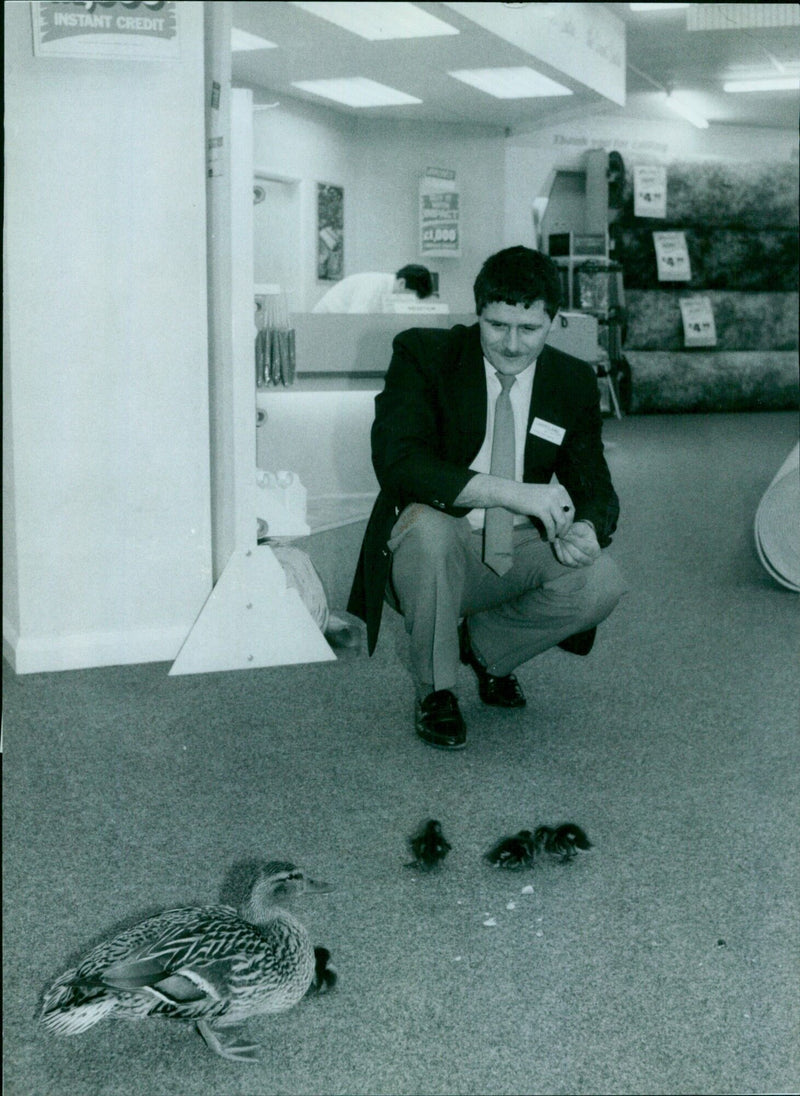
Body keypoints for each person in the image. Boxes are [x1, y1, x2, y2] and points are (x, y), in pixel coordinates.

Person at [347, 245, 626, 750]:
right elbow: (398, 460)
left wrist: (587, 527)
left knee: (602, 581)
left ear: (554, 322)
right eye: (497, 326)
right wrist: (510, 492)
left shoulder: (572, 380)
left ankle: (485, 650)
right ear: (477, 315)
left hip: (516, 547)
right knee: (430, 531)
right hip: (432, 548)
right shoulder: (422, 354)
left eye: (530, 329)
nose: (513, 345)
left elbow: (594, 483)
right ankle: (436, 691)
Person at [312, 265, 434, 314]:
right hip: (324, 324)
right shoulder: (374, 286)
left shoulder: (389, 289)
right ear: (402, 283)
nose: (411, 303)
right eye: (411, 298)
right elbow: (355, 322)